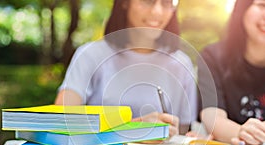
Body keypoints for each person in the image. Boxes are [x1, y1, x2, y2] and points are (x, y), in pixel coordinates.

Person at [55, 0, 197, 137]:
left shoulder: (181, 64)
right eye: (147, 1)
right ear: (124, 2)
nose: (157, 11)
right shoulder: (90, 55)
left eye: (166, 2)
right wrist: (134, 127)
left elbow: (183, 133)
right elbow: (60, 121)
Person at [198, 0, 265, 145]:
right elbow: (212, 116)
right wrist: (242, 132)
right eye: (262, 4)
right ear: (242, 9)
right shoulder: (213, 57)